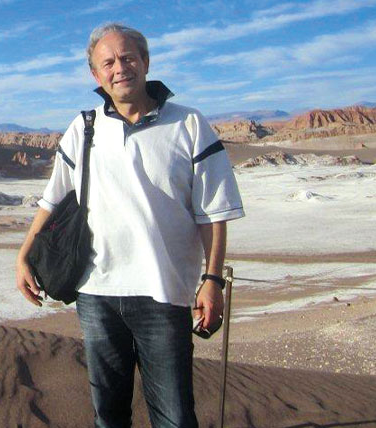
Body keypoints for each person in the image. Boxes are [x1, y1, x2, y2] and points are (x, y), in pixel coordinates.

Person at [15, 23, 244, 428]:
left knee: (174, 416)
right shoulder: (83, 128)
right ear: (95, 75)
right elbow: (52, 200)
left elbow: (212, 211)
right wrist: (23, 255)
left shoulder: (189, 124)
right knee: (109, 415)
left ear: (145, 62)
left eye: (127, 58)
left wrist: (212, 279)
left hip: (164, 293)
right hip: (96, 294)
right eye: (108, 62)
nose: (119, 68)